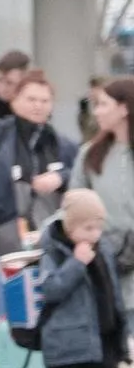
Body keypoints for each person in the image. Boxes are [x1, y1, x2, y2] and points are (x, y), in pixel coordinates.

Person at [33, 189, 128, 368]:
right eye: (88, 228)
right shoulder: (51, 251)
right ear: (71, 226)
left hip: (101, 343)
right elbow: (48, 291)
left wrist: (121, 332)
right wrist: (76, 263)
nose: (95, 234)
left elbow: (112, 293)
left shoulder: (103, 250)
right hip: (65, 343)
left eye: (99, 227)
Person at [0, 69, 77, 254]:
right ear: (15, 100)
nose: (38, 106)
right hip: (1, 231)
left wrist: (61, 177)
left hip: (52, 234)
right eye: (31, 99)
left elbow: (83, 176)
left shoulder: (62, 144)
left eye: (45, 101)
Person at [72, 77, 134, 313]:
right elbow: (74, 203)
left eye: (103, 104)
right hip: (104, 265)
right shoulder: (89, 154)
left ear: (124, 108)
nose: (96, 112)